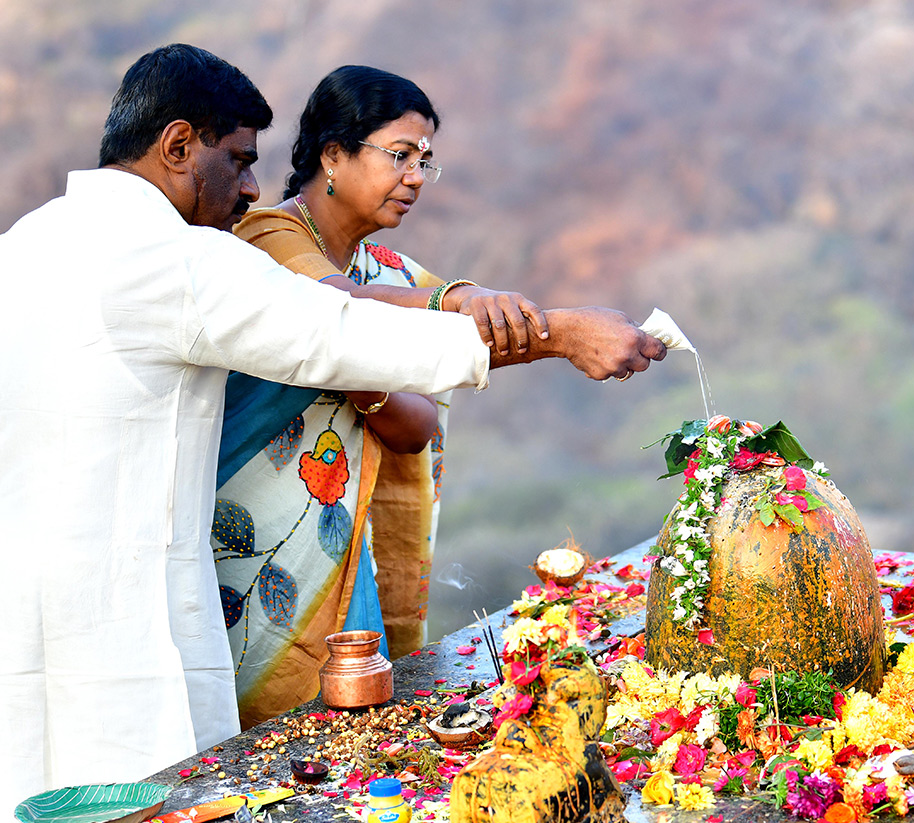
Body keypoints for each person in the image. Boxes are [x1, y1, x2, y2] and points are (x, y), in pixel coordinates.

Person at [0, 43, 664, 823]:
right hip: (131, 635)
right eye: (236, 160)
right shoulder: (173, 258)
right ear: (176, 145)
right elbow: (337, 333)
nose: (248, 189)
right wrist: (563, 330)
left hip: (24, 610)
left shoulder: (24, 245)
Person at [218, 65, 664, 728]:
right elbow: (340, 316)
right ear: (333, 154)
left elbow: (417, 422)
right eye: (400, 156)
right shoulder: (266, 238)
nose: (417, 178)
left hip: (341, 561)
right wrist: (547, 327)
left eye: (426, 161)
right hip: (252, 557)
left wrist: (363, 373)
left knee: (350, 742)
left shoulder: (389, 275)